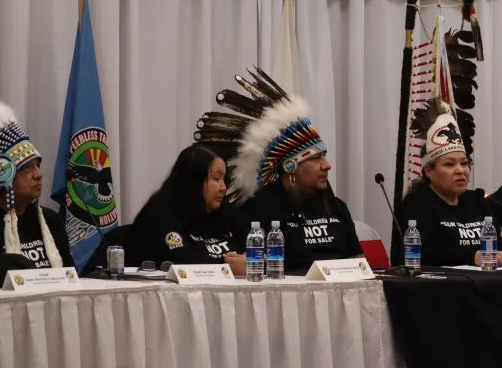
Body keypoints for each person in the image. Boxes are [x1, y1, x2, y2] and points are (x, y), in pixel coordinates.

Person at [194, 68, 362, 274]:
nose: (327, 165)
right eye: (316, 158)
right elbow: (251, 264)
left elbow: (358, 263)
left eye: (324, 156)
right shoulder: (260, 208)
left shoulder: (336, 207)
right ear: (291, 166)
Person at [395, 99, 502, 267]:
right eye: (450, 164)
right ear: (429, 171)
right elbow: (423, 252)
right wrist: (473, 256)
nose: (461, 170)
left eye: (465, 163)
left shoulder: (478, 200)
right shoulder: (417, 203)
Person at [132, 144, 246, 274]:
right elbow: (182, 265)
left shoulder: (226, 212)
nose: (223, 187)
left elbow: (257, 248)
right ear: (194, 181)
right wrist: (228, 267)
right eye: (216, 178)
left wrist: (249, 259)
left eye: (224, 179)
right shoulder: (161, 214)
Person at [0, 103, 73, 283]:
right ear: (4, 175)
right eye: (26, 168)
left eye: (38, 165)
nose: (39, 174)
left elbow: (71, 279)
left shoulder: (51, 221)